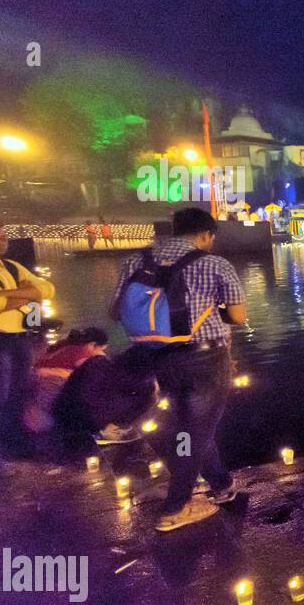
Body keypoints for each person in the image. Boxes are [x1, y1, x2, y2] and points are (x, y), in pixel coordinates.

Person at [109, 207, 247, 532]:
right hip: (205, 360)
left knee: (193, 424)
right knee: (196, 431)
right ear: (205, 235)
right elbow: (239, 316)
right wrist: (212, 313)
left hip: (159, 356)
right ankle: (176, 507)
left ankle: (222, 485)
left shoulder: (137, 261)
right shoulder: (214, 263)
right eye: (211, 237)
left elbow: (115, 311)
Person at [0, 219, 56, 475]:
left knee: (20, 393)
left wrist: (7, 296)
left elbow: (47, 290)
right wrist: (25, 294)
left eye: (2, 238)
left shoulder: (13, 267)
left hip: (19, 339)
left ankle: (15, 445)